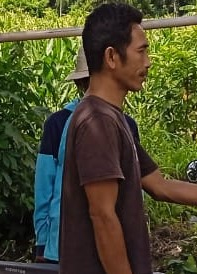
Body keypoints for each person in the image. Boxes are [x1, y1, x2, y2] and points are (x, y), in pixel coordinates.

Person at [59, 3, 197, 274]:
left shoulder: (111, 118)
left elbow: (160, 185)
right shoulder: (98, 122)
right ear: (112, 57)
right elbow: (103, 216)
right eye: (141, 51)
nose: (147, 61)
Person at [33, 45, 142, 263]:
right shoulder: (58, 123)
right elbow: (44, 186)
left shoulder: (126, 125)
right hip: (66, 243)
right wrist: (42, 243)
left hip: (96, 241)